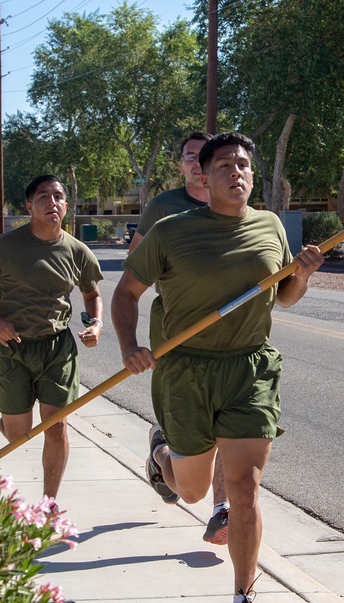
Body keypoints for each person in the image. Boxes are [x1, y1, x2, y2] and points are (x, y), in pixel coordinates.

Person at [112, 132, 324, 603]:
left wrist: (305, 274)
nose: (238, 172)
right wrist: (128, 347)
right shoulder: (171, 232)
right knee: (190, 491)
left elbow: (285, 297)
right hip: (185, 371)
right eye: (225, 164)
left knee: (245, 490)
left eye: (244, 164)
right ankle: (161, 451)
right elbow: (126, 292)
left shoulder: (270, 226)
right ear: (203, 177)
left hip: (249, 370)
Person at [0, 175, 104, 507]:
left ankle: (48, 502)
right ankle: (11, 416)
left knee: (55, 426)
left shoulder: (77, 251)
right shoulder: (6, 246)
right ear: (29, 206)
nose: (51, 203)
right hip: (12, 348)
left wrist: (95, 324)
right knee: (18, 434)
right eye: (43, 197)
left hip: (57, 349)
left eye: (58, 197)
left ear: (66, 205)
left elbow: (92, 294)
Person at [129, 131, 232, 547]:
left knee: (230, 425)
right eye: (189, 156)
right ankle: (161, 451)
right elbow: (136, 267)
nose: (196, 164)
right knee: (191, 480)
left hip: (230, 337)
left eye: (203, 157)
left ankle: (222, 510)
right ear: (182, 165)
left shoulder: (234, 202)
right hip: (177, 331)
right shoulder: (164, 208)